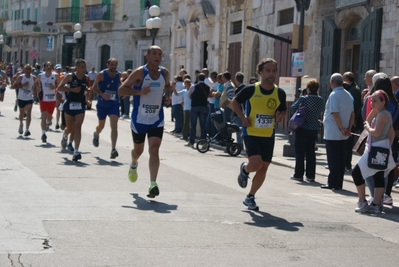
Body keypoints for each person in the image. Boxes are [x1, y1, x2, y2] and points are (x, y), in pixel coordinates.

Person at [231, 58, 287, 210]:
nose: (271, 74)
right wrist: (243, 118)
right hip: (251, 132)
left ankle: (250, 197)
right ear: (260, 72)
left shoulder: (279, 92)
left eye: (274, 70)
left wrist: (281, 115)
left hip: (268, 135)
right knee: (255, 164)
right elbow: (234, 102)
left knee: (263, 168)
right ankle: (245, 169)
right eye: (268, 70)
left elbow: (283, 109)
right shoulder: (251, 89)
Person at [118, 45, 171, 198]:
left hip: (156, 118)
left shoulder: (164, 72)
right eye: (154, 53)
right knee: (138, 151)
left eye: (160, 54)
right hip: (139, 119)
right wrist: (139, 92)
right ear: (147, 56)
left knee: (154, 150)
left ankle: (152, 184)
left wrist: (168, 95)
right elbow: (122, 90)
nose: (158, 56)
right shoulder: (140, 72)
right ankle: (133, 164)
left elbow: (167, 85)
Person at [351, 90, 395, 214]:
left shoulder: (382, 115)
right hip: (379, 148)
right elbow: (368, 119)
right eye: (371, 100)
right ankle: (376, 204)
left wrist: (367, 128)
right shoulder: (383, 113)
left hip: (375, 148)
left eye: (375, 101)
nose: (372, 103)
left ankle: (363, 201)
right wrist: (387, 147)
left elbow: (375, 132)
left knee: (356, 173)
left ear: (383, 102)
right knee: (378, 175)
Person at [321, 73, 355, 190]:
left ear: (332, 82)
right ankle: (338, 183)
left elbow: (335, 114)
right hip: (344, 132)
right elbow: (352, 114)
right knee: (341, 159)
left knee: (333, 159)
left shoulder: (334, 95)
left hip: (334, 132)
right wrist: (348, 128)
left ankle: (333, 182)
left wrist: (341, 128)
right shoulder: (348, 95)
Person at [290, 79, 324, 182]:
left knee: (300, 152)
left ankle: (298, 174)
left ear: (308, 89)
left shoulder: (303, 99)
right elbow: (321, 110)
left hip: (302, 127)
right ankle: (311, 175)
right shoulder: (320, 100)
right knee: (311, 152)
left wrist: (299, 97)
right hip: (313, 128)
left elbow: (292, 108)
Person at [57, 58, 90, 162]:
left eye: (85, 67)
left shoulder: (86, 78)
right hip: (70, 104)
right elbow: (59, 88)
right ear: (77, 67)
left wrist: (88, 98)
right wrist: (71, 89)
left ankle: (76, 151)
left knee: (78, 127)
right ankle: (65, 135)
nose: (84, 69)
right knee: (70, 128)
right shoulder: (70, 76)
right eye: (82, 67)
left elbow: (86, 90)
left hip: (80, 105)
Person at [91, 58, 121, 159]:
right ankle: (96, 133)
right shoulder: (101, 74)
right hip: (102, 104)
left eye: (115, 65)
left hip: (114, 103)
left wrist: (123, 93)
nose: (113, 67)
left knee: (114, 125)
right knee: (101, 126)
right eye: (111, 65)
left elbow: (119, 87)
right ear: (107, 65)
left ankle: (113, 148)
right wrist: (102, 95)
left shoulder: (118, 75)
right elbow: (94, 88)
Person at [34, 61, 60, 143]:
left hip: (52, 99)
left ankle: (49, 121)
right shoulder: (40, 76)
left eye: (50, 66)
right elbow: (36, 84)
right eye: (47, 66)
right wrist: (38, 88)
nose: (48, 67)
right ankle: (43, 134)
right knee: (43, 116)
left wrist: (55, 87)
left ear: (52, 67)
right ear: (44, 67)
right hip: (43, 99)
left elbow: (61, 85)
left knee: (49, 117)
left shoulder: (55, 75)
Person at [343, 72, 362, 171]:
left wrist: (354, 120)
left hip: (351, 120)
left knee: (348, 144)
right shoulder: (352, 88)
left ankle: (347, 164)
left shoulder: (354, 90)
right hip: (350, 119)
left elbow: (355, 106)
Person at [186, 73, 211, 148]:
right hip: (203, 106)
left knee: (193, 125)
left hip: (195, 106)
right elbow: (208, 95)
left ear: (198, 79)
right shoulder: (207, 87)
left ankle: (191, 142)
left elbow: (189, 95)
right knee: (203, 125)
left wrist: (194, 97)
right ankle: (204, 142)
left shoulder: (194, 86)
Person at [12, 64, 36, 137]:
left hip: (29, 98)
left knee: (29, 113)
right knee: (21, 113)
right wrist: (22, 85)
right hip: (21, 97)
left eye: (29, 69)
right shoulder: (21, 77)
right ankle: (21, 124)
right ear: (24, 70)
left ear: (31, 70)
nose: (28, 70)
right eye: (27, 69)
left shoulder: (34, 78)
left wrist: (36, 91)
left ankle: (27, 130)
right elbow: (13, 86)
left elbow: (36, 87)